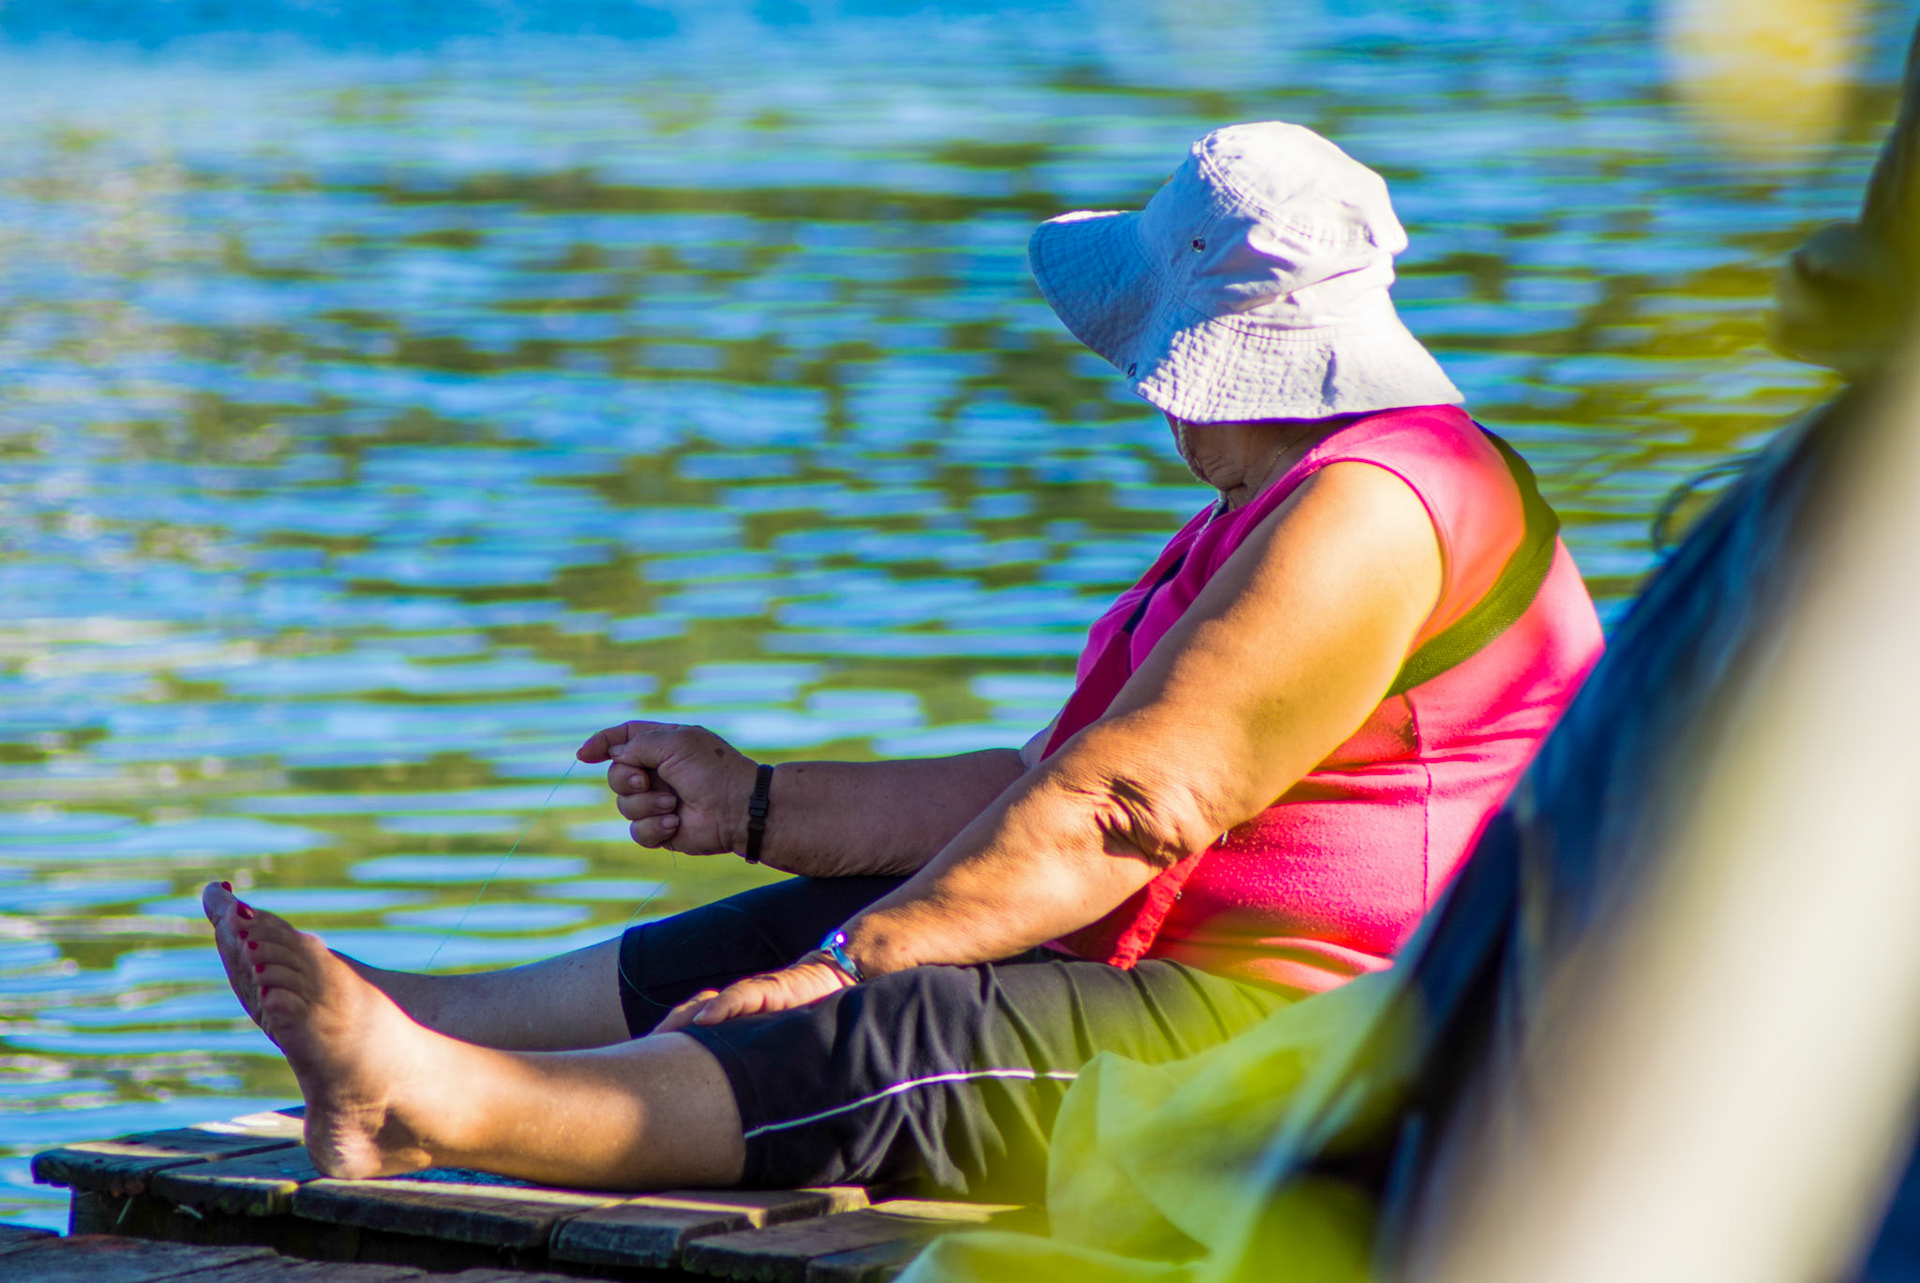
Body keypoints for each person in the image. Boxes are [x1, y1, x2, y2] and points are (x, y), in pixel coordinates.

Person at [202, 121, 1604, 1201]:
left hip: (1313, 1039)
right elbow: (1044, 786)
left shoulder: (1378, 509)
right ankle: (421, 1023)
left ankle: (435, 1103)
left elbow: (1128, 811)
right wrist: (761, 805)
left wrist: (846, 968)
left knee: (889, 1005)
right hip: (1190, 960)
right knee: (859, 909)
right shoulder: (1297, 499)